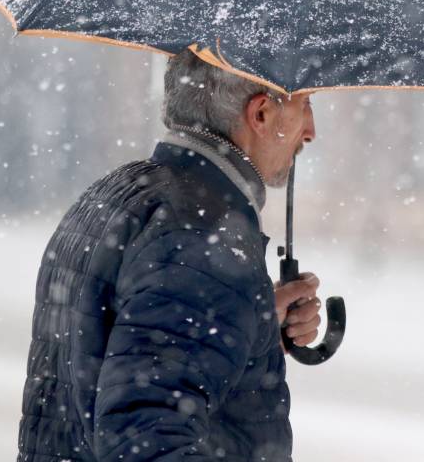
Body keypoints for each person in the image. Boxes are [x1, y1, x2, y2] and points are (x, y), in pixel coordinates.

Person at [17, 49, 321, 461]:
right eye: (304, 105)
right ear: (261, 114)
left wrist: (252, 323)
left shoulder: (121, 192)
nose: (311, 131)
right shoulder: (200, 234)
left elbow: (121, 351)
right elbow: (147, 438)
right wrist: (227, 295)